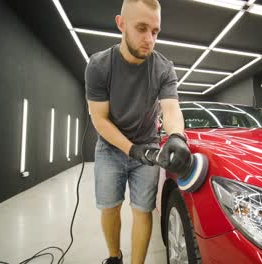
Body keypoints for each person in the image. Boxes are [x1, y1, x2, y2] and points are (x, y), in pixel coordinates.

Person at [84, 0, 190, 263]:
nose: (149, 39)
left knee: (142, 210)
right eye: (141, 28)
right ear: (121, 24)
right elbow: (100, 119)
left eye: (155, 31)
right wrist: (131, 149)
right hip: (110, 147)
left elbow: (171, 110)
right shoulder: (98, 66)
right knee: (110, 206)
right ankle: (114, 256)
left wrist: (176, 136)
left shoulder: (164, 68)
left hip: (148, 147)